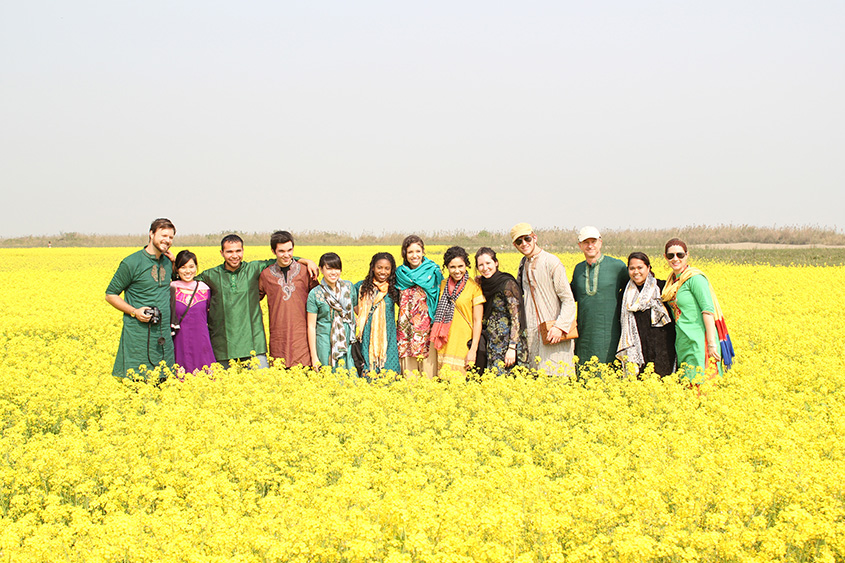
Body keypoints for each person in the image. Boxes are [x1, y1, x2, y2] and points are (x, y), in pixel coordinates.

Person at [197, 234, 317, 369]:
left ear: (243, 251)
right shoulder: (211, 275)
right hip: (223, 343)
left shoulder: (253, 269)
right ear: (221, 253)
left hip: (253, 342)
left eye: (238, 251)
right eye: (229, 251)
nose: (234, 255)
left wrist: (305, 261)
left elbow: (281, 259)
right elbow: (187, 280)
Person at [105, 218, 176, 379]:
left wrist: (173, 263)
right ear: (151, 234)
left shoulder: (166, 262)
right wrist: (134, 311)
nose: (167, 240)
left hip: (163, 333)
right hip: (138, 335)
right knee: (137, 382)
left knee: (164, 381)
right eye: (163, 235)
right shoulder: (132, 262)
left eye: (171, 237)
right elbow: (110, 294)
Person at [661, 238, 734, 383]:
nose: (675, 259)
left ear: (687, 255)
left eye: (680, 255)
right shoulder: (672, 281)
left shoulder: (695, 279)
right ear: (665, 257)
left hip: (701, 341)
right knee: (687, 384)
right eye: (671, 255)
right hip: (683, 340)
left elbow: (707, 310)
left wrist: (712, 343)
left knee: (703, 383)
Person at [511, 223, 577, 375]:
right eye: (519, 242)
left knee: (557, 378)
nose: (524, 244)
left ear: (535, 237)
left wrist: (559, 327)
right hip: (534, 336)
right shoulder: (524, 265)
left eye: (527, 239)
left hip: (555, 334)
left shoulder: (552, 262)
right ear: (515, 245)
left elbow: (568, 300)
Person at [570, 226, 628, 366]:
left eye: (593, 241)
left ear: (600, 242)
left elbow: (632, 291)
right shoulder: (578, 269)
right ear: (580, 245)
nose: (590, 246)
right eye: (586, 242)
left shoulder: (617, 266)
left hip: (611, 333)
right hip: (585, 334)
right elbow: (570, 297)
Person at [259, 231, 318, 367]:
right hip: (279, 337)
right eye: (281, 251)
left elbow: (319, 299)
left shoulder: (306, 271)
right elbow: (253, 299)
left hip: (302, 338)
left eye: (289, 250)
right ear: (273, 251)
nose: (286, 255)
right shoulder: (266, 275)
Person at [615, 252, 676, 376]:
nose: (636, 272)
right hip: (637, 348)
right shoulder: (624, 294)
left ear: (648, 268)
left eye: (640, 267)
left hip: (662, 348)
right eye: (632, 268)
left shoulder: (661, 288)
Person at [429, 246, 485, 375]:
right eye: (452, 267)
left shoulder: (474, 288)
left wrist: (473, 350)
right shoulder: (442, 285)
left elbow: (477, 321)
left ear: (466, 266)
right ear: (447, 268)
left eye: (460, 266)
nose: (457, 271)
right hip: (444, 344)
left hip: (464, 345)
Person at [395, 235, 443, 377]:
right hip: (406, 327)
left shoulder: (433, 271)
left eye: (418, 251)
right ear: (405, 253)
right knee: (409, 372)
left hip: (427, 325)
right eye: (410, 252)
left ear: (423, 252)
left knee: (428, 369)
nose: (414, 255)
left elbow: (440, 296)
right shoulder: (400, 273)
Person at [475, 247, 528, 372]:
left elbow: (516, 318)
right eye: (481, 265)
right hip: (492, 342)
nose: (485, 268)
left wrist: (512, 348)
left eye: (488, 263)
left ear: (496, 263)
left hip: (508, 344)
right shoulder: (483, 283)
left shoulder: (507, 283)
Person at [307, 252, 358, 372]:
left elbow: (358, 312)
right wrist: (314, 357)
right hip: (325, 343)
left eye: (337, 268)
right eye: (329, 268)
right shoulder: (315, 294)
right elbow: (311, 326)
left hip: (347, 340)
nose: (333, 272)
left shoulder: (349, 287)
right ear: (321, 269)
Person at [170, 250, 216, 374]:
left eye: (191, 266)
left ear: (196, 268)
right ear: (177, 269)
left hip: (201, 341)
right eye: (183, 267)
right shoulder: (171, 289)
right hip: (179, 341)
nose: (188, 271)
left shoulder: (205, 289)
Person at [354, 252, 400, 375]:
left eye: (387, 268)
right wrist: (363, 315)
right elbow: (350, 301)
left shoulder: (393, 288)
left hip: (388, 336)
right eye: (379, 267)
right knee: (368, 369)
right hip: (367, 337)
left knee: (390, 370)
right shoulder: (361, 287)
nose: (383, 272)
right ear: (373, 268)